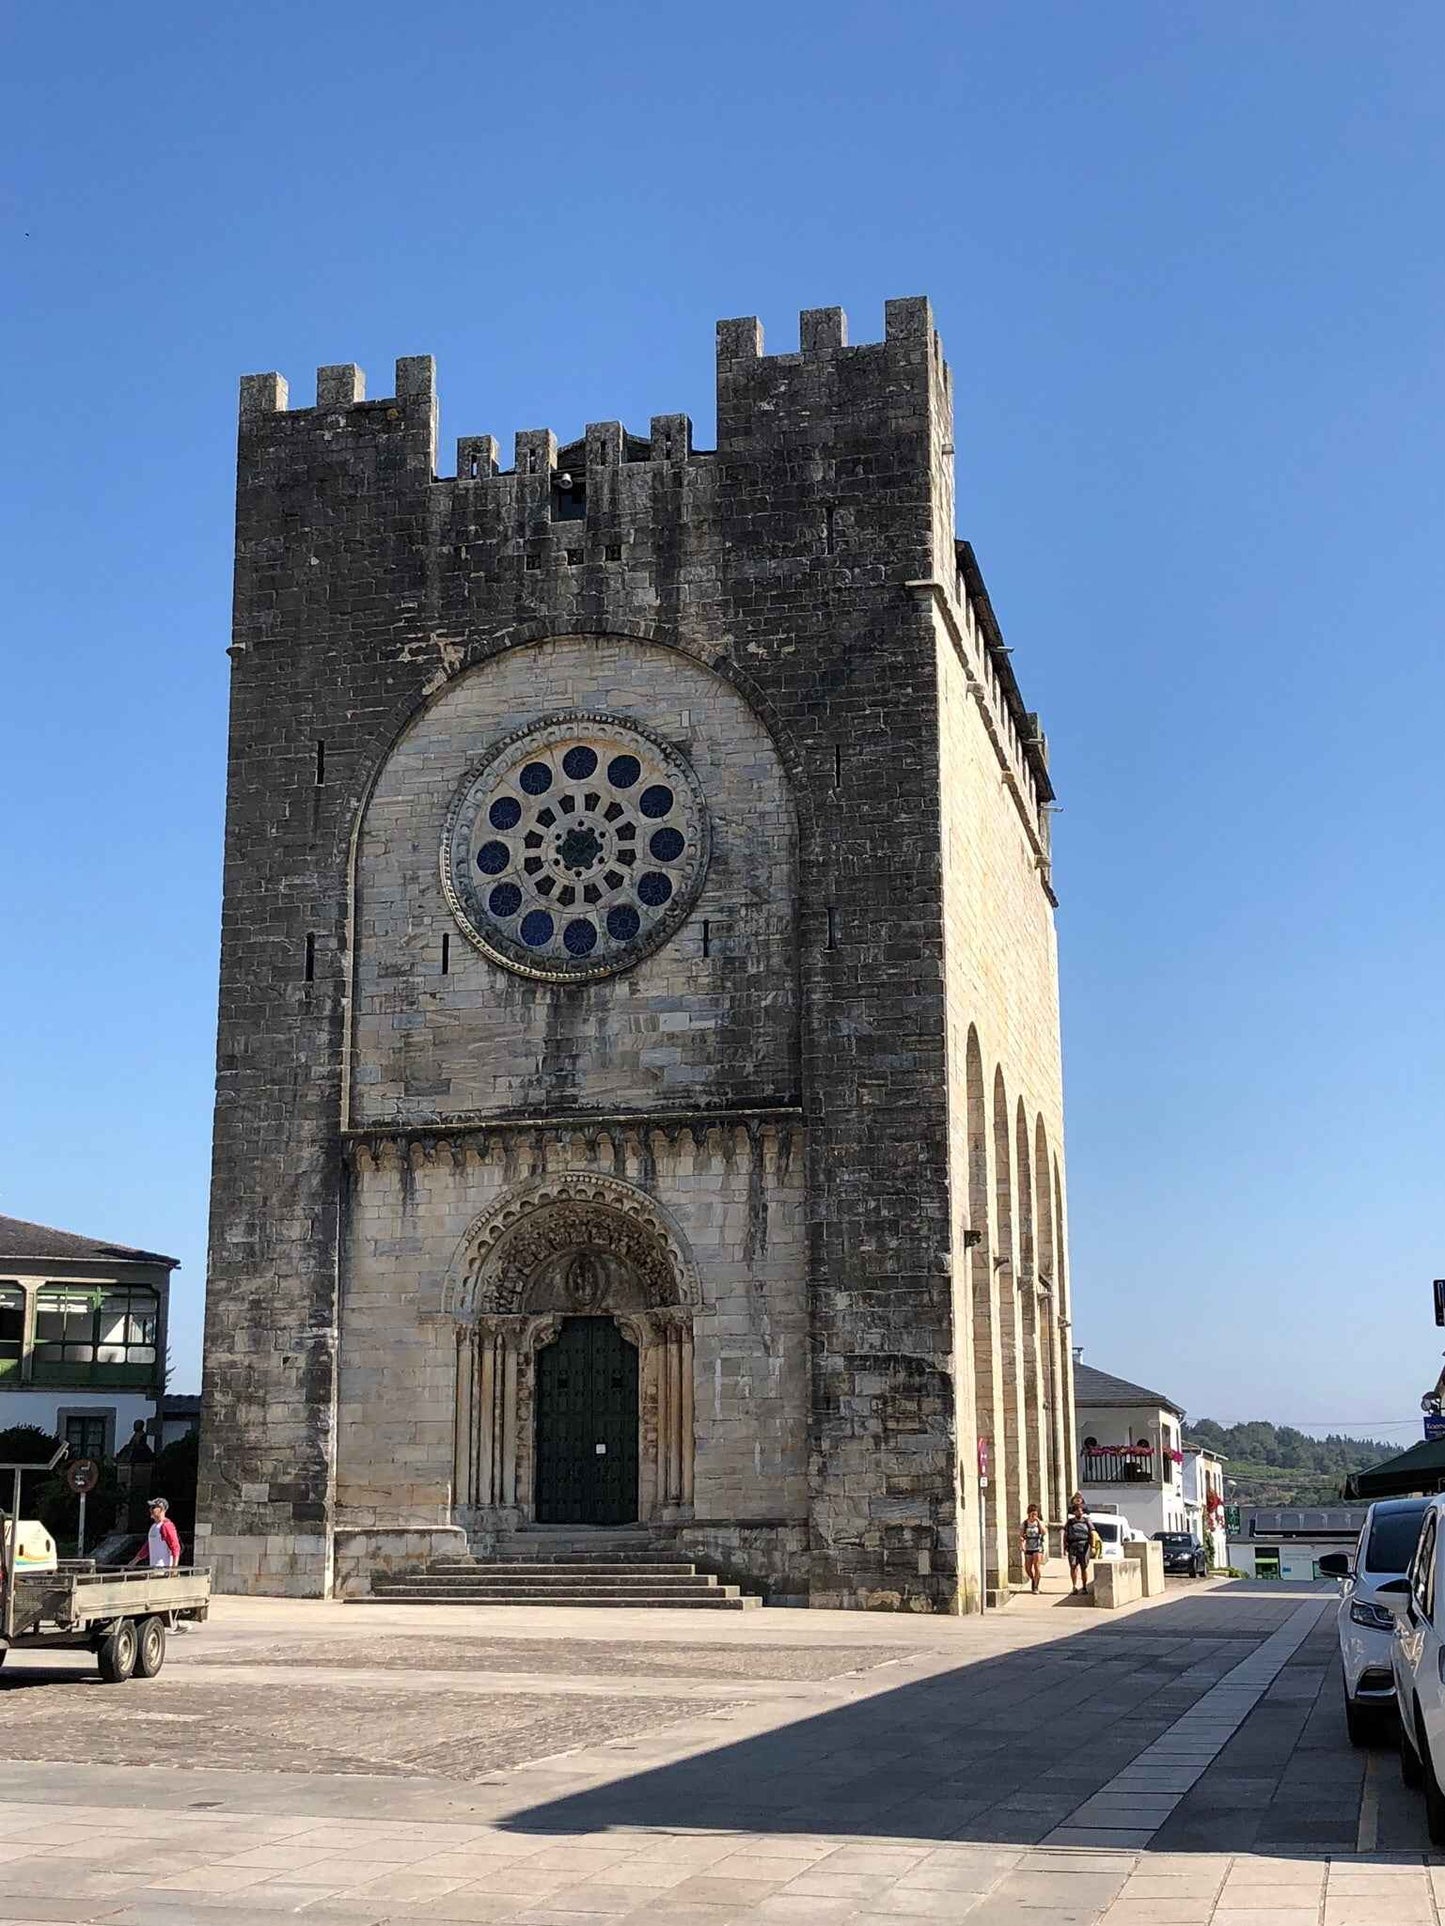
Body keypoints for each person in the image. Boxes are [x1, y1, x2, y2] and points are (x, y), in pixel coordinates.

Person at [130, 1497, 181, 1570]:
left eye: (153, 1507)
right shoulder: (153, 1526)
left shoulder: (167, 1525)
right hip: (154, 1568)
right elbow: (148, 1546)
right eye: (150, 1507)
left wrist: (173, 1568)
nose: (150, 1509)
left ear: (162, 1510)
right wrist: (134, 1561)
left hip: (164, 1569)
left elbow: (175, 1547)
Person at [1062, 1498, 1093, 1595]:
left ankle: (1084, 1587)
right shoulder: (1070, 1522)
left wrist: (1092, 1546)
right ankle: (1074, 1586)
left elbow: (1091, 1534)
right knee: (1073, 1566)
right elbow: (1065, 1534)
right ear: (1074, 1512)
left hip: (1084, 1546)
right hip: (1073, 1546)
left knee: (1084, 1567)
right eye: (1077, 1510)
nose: (1079, 1512)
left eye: (1081, 1510)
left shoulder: (1087, 1521)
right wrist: (1064, 1546)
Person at [1018, 1503, 1047, 1594]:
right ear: (1029, 1513)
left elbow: (1044, 1532)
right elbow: (1021, 1535)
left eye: (1035, 1514)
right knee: (1028, 1568)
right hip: (1028, 1547)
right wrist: (1022, 1544)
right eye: (1032, 1514)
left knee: (1036, 1566)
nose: (1034, 1516)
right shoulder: (1025, 1523)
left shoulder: (1039, 1523)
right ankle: (1034, 1579)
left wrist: (1038, 1522)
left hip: (1037, 1547)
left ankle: (1036, 1587)